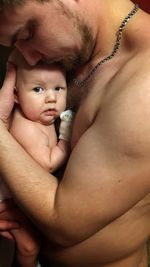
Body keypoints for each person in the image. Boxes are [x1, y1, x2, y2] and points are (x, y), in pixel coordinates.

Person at [0, 0, 150, 266]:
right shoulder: (59, 45)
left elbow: (63, 223)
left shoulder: (143, 84)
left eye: (27, 35)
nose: (29, 57)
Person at [0, 58, 74, 267]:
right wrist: (66, 137)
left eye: (58, 88)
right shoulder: (27, 127)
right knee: (29, 246)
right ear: (15, 95)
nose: (51, 98)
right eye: (38, 89)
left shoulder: (39, 117)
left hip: (17, 196)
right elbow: (48, 164)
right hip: (5, 200)